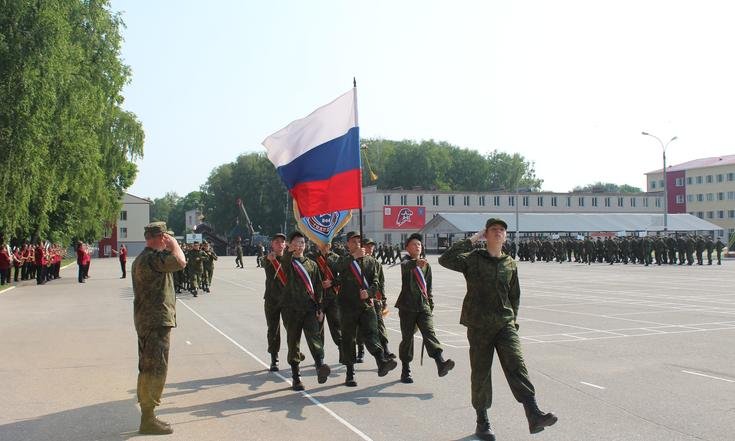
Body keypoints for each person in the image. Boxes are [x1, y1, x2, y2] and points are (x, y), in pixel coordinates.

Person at [439, 218, 557, 441]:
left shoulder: (510, 263)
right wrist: (473, 238)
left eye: (502, 230)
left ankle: (533, 413)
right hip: (479, 325)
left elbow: (515, 296)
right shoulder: (473, 259)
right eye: (493, 229)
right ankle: (482, 422)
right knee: (481, 373)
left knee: (517, 364)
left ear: (505, 236)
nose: (498, 233)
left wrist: (513, 320)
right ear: (486, 234)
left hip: (504, 324)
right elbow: (446, 259)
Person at [132, 222, 186, 435]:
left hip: (148, 320)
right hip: (156, 321)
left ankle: (148, 415)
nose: (168, 241)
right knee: (156, 367)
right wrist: (174, 245)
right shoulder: (153, 258)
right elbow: (181, 262)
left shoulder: (143, 258)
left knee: (147, 366)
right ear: (161, 237)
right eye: (166, 237)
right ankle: (148, 419)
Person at [335, 231, 397, 387]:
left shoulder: (370, 262)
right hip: (347, 305)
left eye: (359, 241)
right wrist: (353, 258)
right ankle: (350, 373)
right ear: (348, 244)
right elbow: (337, 268)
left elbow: (376, 281)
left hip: (366, 305)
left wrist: (368, 292)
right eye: (353, 241)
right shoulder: (344, 260)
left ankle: (381, 361)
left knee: (372, 334)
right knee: (349, 339)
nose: (357, 243)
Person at [395, 233, 454, 384]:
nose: (417, 246)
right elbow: (405, 267)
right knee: (407, 339)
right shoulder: (406, 261)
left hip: (423, 307)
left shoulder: (427, 266)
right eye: (414, 244)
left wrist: (430, 304)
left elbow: (429, 288)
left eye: (419, 244)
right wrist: (416, 263)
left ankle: (440, 362)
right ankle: (405, 369)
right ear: (407, 248)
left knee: (429, 333)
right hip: (407, 307)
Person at [277, 231, 330, 391]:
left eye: (302, 243)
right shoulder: (288, 262)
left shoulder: (311, 264)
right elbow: (284, 261)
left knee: (315, 337)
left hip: (309, 309)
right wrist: (288, 251)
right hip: (291, 310)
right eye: (296, 243)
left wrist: (320, 308)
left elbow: (318, 288)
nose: (299, 246)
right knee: (293, 342)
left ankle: (320, 366)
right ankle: (296, 377)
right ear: (291, 245)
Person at [263, 233, 287, 371]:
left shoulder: (290, 259)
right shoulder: (268, 258)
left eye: (282, 242)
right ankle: (274, 357)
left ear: (285, 244)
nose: (279, 244)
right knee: (273, 329)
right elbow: (264, 261)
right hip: (272, 299)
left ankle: (293, 354)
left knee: (292, 329)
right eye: (276, 241)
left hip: (287, 300)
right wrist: (270, 259)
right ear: (272, 244)